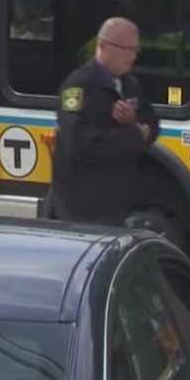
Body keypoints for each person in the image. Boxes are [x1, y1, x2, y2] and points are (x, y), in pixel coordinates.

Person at [46, 17, 159, 226]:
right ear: (104, 47)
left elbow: (152, 125)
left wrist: (133, 122)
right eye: (128, 49)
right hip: (82, 204)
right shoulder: (78, 86)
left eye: (136, 50)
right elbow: (80, 141)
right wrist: (134, 135)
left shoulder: (130, 83)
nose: (134, 56)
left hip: (117, 200)